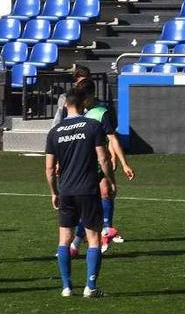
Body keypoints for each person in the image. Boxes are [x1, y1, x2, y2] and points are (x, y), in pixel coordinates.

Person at [46, 89, 116, 298]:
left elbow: (50, 168)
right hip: (88, 189)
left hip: (66, 190)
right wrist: (111, 181)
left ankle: (66, 287)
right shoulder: (92, 126)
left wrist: (53, 192)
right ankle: (90, 287)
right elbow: (103, 159)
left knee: (64, 240)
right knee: (93, 239)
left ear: (66, 104)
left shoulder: (55, 132)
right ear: (83, 105)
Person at [69, 81, 135, 256]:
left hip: (98, 162)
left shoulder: (100, 112)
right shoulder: (76, 112)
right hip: (82, 163)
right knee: (87, 204)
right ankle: (76, 241)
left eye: (84, 98)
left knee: (105, 192)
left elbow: (112, 138)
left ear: (90, 96)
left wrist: (123, 163)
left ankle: (106, 230)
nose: (82, 101)